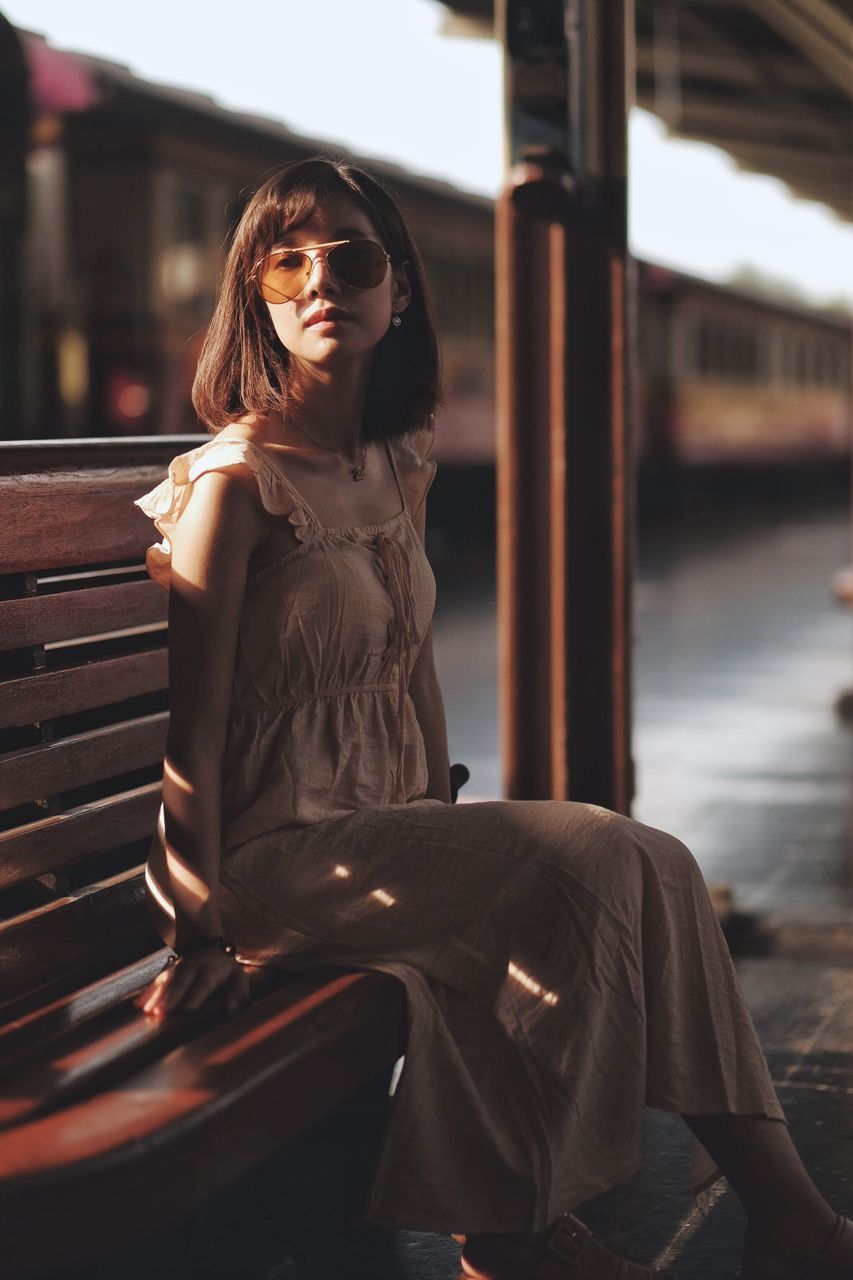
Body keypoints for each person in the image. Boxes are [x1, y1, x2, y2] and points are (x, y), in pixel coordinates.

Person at [134, 156, 851, 1280]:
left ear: (399, 291)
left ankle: (633, 1225)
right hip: (276, 859)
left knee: (642, 864)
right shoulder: (230, 488)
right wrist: (196, 928)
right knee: (598, 853)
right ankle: (607, 1228)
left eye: (355, 257)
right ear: (258, 295)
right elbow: (193, 737)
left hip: (382, 834)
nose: (324, 278)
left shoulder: (395, 465)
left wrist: (437, 815)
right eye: (290, 261)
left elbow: (411, 670)